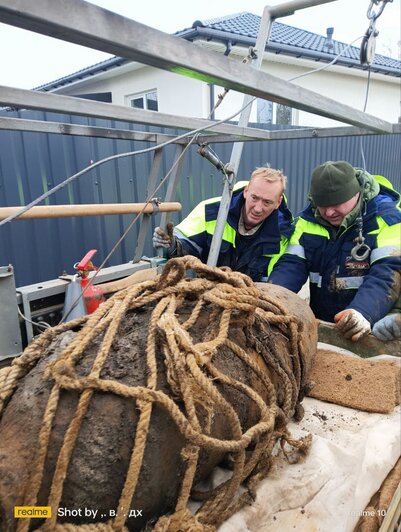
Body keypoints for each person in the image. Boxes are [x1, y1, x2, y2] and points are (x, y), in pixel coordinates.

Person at [268, 160, 401, 342]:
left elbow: (386, 275)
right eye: (323, 205)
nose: (329, 212)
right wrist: (269, 301)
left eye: (337, 203)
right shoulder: (307, 221)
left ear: (356, 194)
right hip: (323, 324)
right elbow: (290, 266)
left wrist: (362, 312)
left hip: (369, 325)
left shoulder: (387, 220)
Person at [152, 166, 294, 281]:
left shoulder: (283, 235)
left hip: (251, 301)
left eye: (267, 202)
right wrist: (169, 244)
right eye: (254, 198)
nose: (258, 208)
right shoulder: (210, 212)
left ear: (278, 202)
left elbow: (275, 283)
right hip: (207, 293)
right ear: (246, 191)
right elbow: (184, 249)